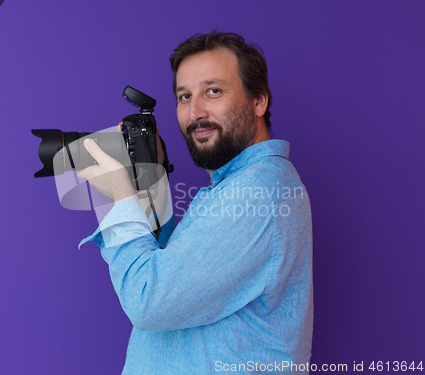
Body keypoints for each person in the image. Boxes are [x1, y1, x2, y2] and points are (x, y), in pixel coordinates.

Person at [77, 31, 313, 375]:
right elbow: (177, 273)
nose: (195, 112)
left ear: (258, 101)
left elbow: (149, 300)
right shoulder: (235, 185)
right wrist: (151, 181)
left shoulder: (258, 191)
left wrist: (121, 197)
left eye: (212, 91)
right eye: (184, 96)